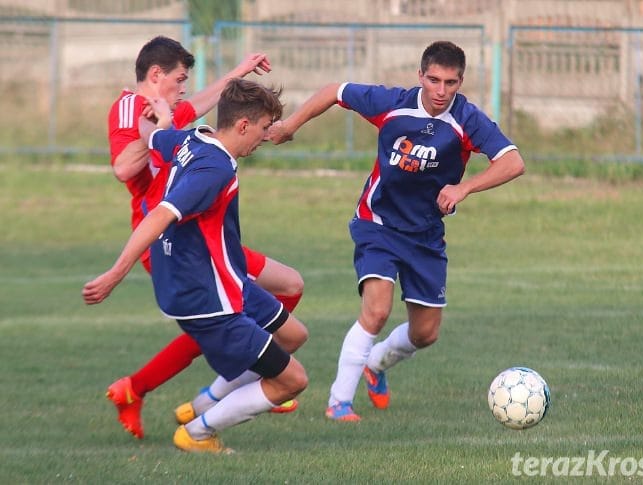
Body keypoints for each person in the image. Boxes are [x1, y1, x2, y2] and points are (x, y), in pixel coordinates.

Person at [268, 40, 525, 421]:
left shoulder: (467, 119)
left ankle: (376, 364)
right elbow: (335, 92)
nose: (441, 91)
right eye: (434, 80)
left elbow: (513, 162)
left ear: (461, 82)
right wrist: (290, 124)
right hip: (379, 223)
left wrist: (463, 187)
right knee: (377, 310)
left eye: (450, 83)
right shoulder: (393, 104)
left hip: (425, 234)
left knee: (425, 333)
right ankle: (339, 402)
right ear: (420, 76)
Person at [84, 78, 307, 453]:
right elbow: (160, 216)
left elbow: (156, 137)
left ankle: (203, 404)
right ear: (242, 125)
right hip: (206, 296)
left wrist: (158, 114)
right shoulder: (214, 170)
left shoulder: (193, 139)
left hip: (222, 279)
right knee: (292, 381)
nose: (266, 137)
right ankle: (197, 433)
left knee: (293, 336)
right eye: (265, 128)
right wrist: (116, 273)